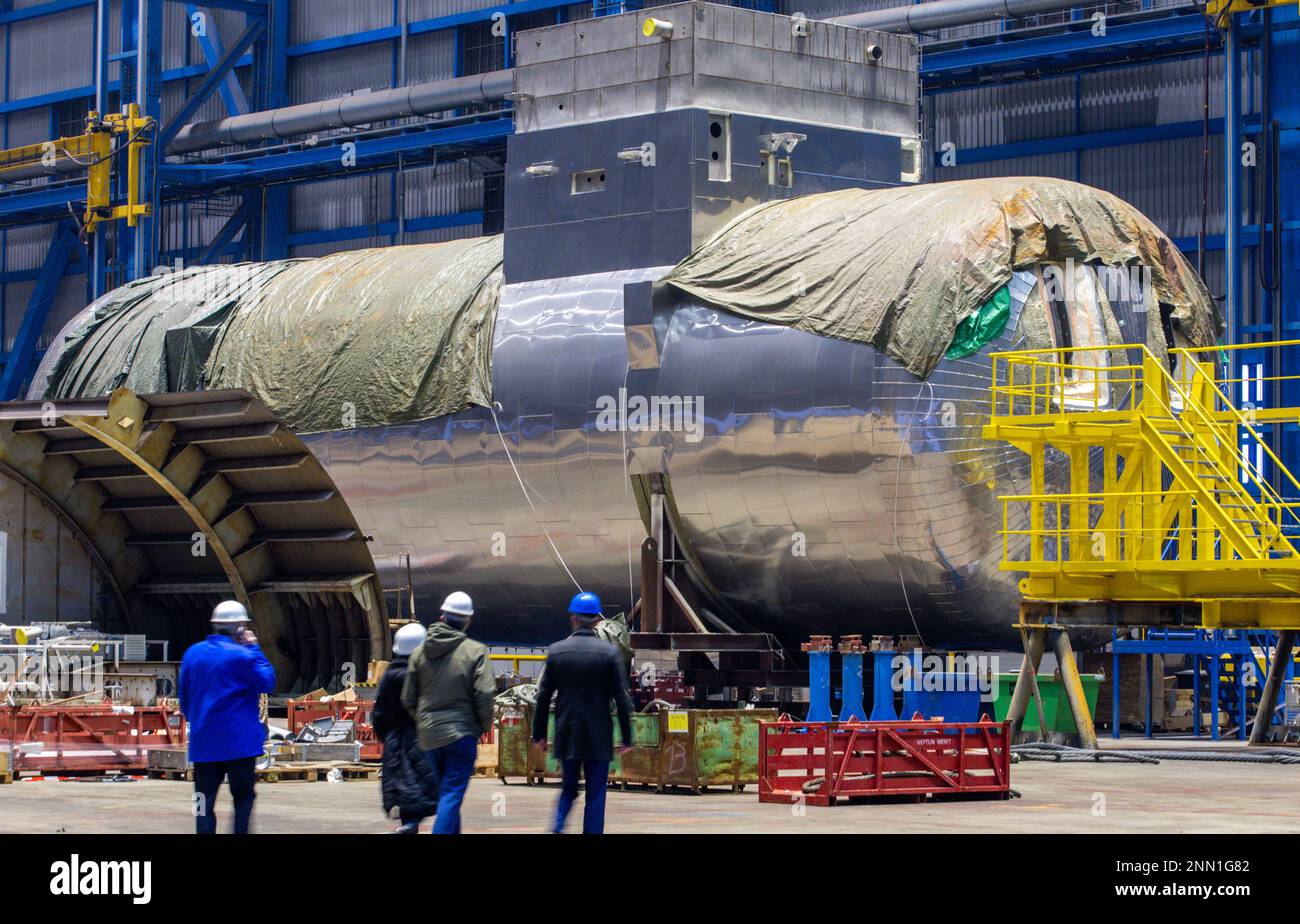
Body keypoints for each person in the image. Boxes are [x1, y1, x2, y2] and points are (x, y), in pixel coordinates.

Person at [532, 591, 635, 835]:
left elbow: (543, 697)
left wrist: (539, 735)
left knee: (568, 789)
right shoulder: (609, 654)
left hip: (567, 734)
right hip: (599, 735)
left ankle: (556, 827)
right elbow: (622, 698)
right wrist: (627, 737)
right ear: (597, 621)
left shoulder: (557, 651)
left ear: (573, 619)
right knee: (596, 793)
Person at [178, 600, 277, 835]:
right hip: (239, 744)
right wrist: (254, 647)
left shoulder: (192, 654)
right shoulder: (243, 656)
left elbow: (185, 698)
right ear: (239, 627)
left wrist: (201, 722)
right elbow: (268, 682)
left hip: (205, 744)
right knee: (243, 798)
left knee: (203, 801)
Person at [401, 591, 495, 834]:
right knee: (452, 795)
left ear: (442, 616)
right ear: (467, 620)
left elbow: (408, 698)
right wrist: (482, 726)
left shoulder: (419, 653)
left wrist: (424, 722)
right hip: (461, 734)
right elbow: (485, 693)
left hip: (429, 736)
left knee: (447, 794)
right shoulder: (475, 651)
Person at [372, 623, 440, 834]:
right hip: (420, 738)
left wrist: (388, 736)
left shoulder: (389, 676)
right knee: (421, 785)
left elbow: (379, 714)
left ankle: (408, 824)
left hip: (394, 738)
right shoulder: (425, 675)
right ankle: (412, 824)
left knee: (401, 786)